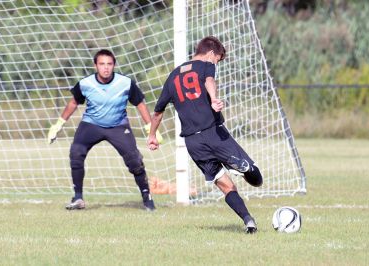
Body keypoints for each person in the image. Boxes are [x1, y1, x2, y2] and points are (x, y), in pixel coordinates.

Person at [147, 36, 263, 233]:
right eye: (218, 59)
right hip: (214, 133)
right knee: (256, 178)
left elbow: (158, 112)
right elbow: (209, 80)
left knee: (226, 187)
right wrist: (214, 99)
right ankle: (241, 166)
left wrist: (152, 135)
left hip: (193, 143)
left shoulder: (173, 76)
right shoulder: (206, 64)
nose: (216, 63)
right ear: (211, 53)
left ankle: (248, 221)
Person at [47, 49, 162, 211]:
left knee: (135, 161)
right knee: (76, 153)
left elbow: (140, 104)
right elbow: (73, 103)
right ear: (96, 66)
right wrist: (58, 124)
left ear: (114, 65)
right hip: (90, 125)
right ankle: (78, 198)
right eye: (102, 64)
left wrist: (151, 128)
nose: (106, 68)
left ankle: (147, 199)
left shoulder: (125, 83)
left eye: (109, 64)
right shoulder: (85, 83)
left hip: (118, 126)